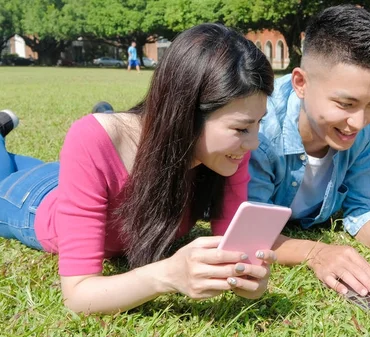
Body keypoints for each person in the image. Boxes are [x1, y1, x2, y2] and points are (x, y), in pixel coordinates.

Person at [0, 23, 276, 314]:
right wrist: (167, 275)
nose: (254, 142)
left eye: (258, 124)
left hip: (83, 178)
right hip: (34, 202)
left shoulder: (230, 152)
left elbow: (234, 249)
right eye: (242, 128)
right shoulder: (91, 139)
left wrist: (248, 276)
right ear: (186, 114)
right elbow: (78, 296)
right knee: (8, 171)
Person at [248, 5, 370, 298]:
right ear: (301, 83)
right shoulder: (260, 130)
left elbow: (365, 208)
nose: (360, 122)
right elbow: (251, 233)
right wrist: (316, 252)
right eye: (346, 104)